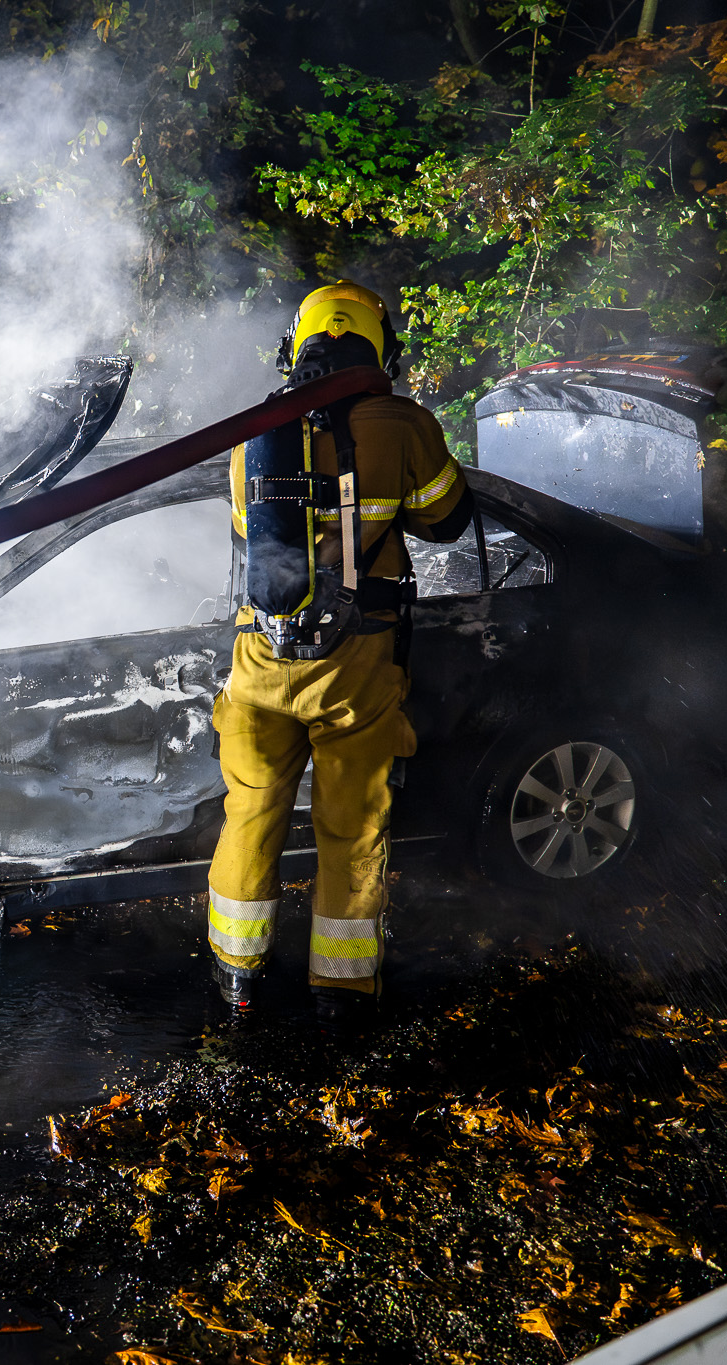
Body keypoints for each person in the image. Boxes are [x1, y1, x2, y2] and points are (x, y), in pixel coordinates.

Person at [207, 281, 474, 1034]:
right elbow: (448, 519)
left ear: (297, 346)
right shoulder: (402, 424)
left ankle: (237, 982)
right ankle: (341, 1000)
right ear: (380, 347)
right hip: (355, 663)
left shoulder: (253, 430)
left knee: (251, 814)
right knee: (352, 830)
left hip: (260, 658)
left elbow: (245, 532)